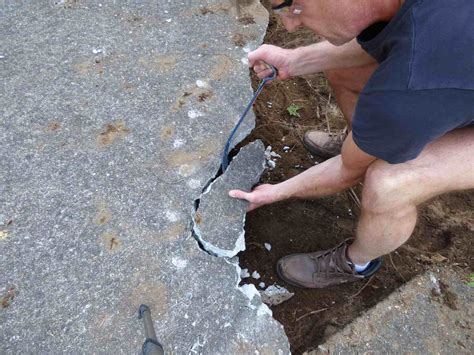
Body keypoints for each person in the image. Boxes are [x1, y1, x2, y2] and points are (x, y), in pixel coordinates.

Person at [229, 0, 474, 288]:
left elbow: (347, 171)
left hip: (440, 80)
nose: (290, 25)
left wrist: (275, 193)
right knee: (345, 72)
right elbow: (394, 37)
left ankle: (357, 261)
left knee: (389, 184)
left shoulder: (409, 86)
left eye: (291, 5)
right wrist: (296, 61)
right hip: (455, 74)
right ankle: (368, 141)